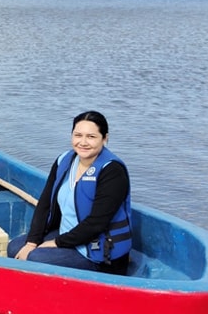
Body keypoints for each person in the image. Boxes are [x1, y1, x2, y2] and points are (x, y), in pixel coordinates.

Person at [7, 111, 132, 275]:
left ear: (105, 138)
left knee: (36, 258)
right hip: (69, 236)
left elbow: (97, 223)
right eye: (78, 135)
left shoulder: (112, 171)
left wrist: (57, 243)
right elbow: (45, 205)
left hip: (98, 251)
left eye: (91, 137)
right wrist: (32, 241)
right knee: (15, 247)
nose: (83, 142)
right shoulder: (64, 161)